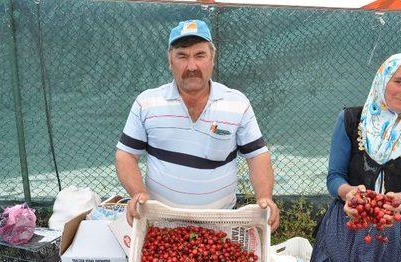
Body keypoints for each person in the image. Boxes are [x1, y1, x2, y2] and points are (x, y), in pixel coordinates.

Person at [115, 19, 279, 230]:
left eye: (200, 55)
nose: (191, 66)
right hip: (161, 224)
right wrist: (138, 193)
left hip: (220, 224)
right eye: (181, 56)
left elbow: (257, 156)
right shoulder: (147, 103)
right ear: (170, 61)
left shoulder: (237, 103)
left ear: (212, 58)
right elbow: (125, 155)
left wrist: (265, 198)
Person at [303, 53, 401, 262]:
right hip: (348, 228)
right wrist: (348, 193)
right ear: (382, 80)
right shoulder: (351, 120)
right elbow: (334, 177)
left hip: (396, 232)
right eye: (398, 81)